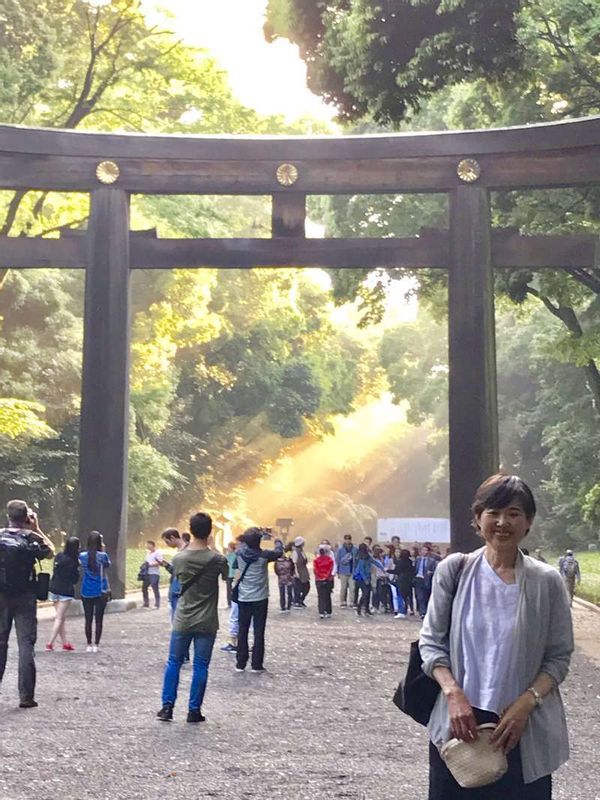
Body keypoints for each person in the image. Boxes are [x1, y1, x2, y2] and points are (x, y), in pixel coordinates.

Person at [420, 473, 573, 799]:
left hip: (521, 729)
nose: (503, 522)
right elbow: (431, 642)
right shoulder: (455, 570)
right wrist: (453, 694)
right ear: (477, 519)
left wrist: (525, 704)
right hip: (459, 725)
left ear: (528, 522)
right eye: (494, 512)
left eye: (514, 513)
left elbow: (559, 656)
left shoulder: (547, 581)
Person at [157, 512, 228, 723]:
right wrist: (213, 545)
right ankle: (193, 710)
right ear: (210, 531)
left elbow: (178, 577)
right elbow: (227, 574)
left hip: (183, 618)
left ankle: (167, 707)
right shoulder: (217, 559)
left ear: (190, 529)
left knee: (174, 662)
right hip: (207, 620)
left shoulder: (179, 558)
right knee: (201, 665)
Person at [0, 500, 55, 708]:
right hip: (25, 596)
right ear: (26, 518)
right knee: (25, 645)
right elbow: (50, 552)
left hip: (1, 595)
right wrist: (36, 528)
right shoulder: (31, 538)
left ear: (8, 515)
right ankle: (26, 696)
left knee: (0, 643)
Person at [234, 528, 283, 673]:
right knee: (258, 631)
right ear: (259, 541)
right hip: (260, 598)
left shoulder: (239, 553)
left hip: (244, 597)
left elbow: (240, 543)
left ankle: (240, 662)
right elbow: (279, 551)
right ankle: (256, 664)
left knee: (242, 630)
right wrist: (277, 538)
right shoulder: (264, 555)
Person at [46, 536, 80, 651]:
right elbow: (75, 579)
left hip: (54, 588)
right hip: (65, 591)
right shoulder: (73, 561)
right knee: (59, 618)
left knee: (61, 618)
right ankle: (50, 643)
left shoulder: (59, 556)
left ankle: (65, 642)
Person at [79, 531, 111, 653]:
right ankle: (96, 645)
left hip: (86, 589)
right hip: (100, 590)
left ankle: (88, 644)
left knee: (88, 618)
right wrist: (103, 549)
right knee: (99, 619)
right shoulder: (103, 556)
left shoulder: (82, 556)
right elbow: (107, 566)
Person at [160, 528, 188, 620]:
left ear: (172, 538)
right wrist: (167, 566)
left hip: (180, 591)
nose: (167, 545)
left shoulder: (187, 551)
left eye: (167, 542)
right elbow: (176, 571)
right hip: (175, 590)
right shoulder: (179, 551)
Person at [353, 543, 383, 616]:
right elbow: (361, 570)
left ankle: (366, 609)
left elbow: (374, 562)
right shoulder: (360, 558)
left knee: (367, 594)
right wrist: (366, 579)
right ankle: (359, 608)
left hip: (367, 576)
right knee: (365, 594)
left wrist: (382, 568)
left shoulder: (368, 557)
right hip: (360, 578)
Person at [388, 547, 415, 617]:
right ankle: (405, 610)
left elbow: (396, 571)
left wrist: (388, 570)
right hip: (409, 581)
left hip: (401, 580)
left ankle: (401, 611)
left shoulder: (400, 562)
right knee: (407, 596)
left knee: (400, 596)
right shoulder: (410, 562)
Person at [414, 544, 438, 618]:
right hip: (418, 579)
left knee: (426, 596)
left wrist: (431, 572)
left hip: (427, 580)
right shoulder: (417, 559)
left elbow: (435, 570)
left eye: (425, 550)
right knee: (420, 597)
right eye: (422, 550)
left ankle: (427, 611)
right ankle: (422, 612)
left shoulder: (432, 561)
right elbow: (414, 568)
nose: (424, 552)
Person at [335, 534, 357, 608]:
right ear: (344, 540)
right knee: (343, 587)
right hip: (343, 571)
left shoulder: (354, 549)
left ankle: (352, 601)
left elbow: (356, 560)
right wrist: (337, 571)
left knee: (352, 587)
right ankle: (343, 601)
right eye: (346, 539)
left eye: (349, 539)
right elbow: (337, 560)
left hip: (352, 571)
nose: (348, 540)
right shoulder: (340, 549)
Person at [142, 540, 163, 609]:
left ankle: (157, 604)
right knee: (144, 587)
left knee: (154, 587)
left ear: (152, 545)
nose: (147, 546)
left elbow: (160, 562)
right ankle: (146, 603)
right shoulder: (148, 554)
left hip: (155, 573)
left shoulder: (158, 553)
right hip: (147, 573)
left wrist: (151, 565)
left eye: (148, 544)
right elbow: (146, 562)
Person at [314, 547, 334, 619]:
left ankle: (321, 611)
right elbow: (330, 569)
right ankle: (328, 611)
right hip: (328, 580)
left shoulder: (316, 560)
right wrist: (326, 577)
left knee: (320, 596)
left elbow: (316, 570)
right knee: (327, 595)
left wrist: (320, 577)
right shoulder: (330, 560)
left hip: (319, 580)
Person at [274, 544, 295, 612]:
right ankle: (288, 606)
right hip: (288, 578)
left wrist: (280, 575)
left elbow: (276, 570)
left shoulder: (277, 561)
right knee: (288, 592)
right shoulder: (289, 560)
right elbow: (292, 568)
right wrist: (291, 575)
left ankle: (283, 606)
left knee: (282, 593)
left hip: (281, 578)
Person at [291, 536, 310, 607]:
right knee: (298, 587)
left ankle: (301, 599)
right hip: (299, 571)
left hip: (304, 571)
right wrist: (296, 573)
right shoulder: (295, 552)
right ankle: (296, 601)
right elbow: (294, 563)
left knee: (307, 587)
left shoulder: (302, 551)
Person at [224, 541, 237, 608]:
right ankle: (230, 603)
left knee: (229, 590)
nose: (227, 548)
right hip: (231, 574)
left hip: (231, 574)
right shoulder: (230, 555)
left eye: (228, 547)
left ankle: (230, 603)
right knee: (230, 589)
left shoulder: (232, 555)